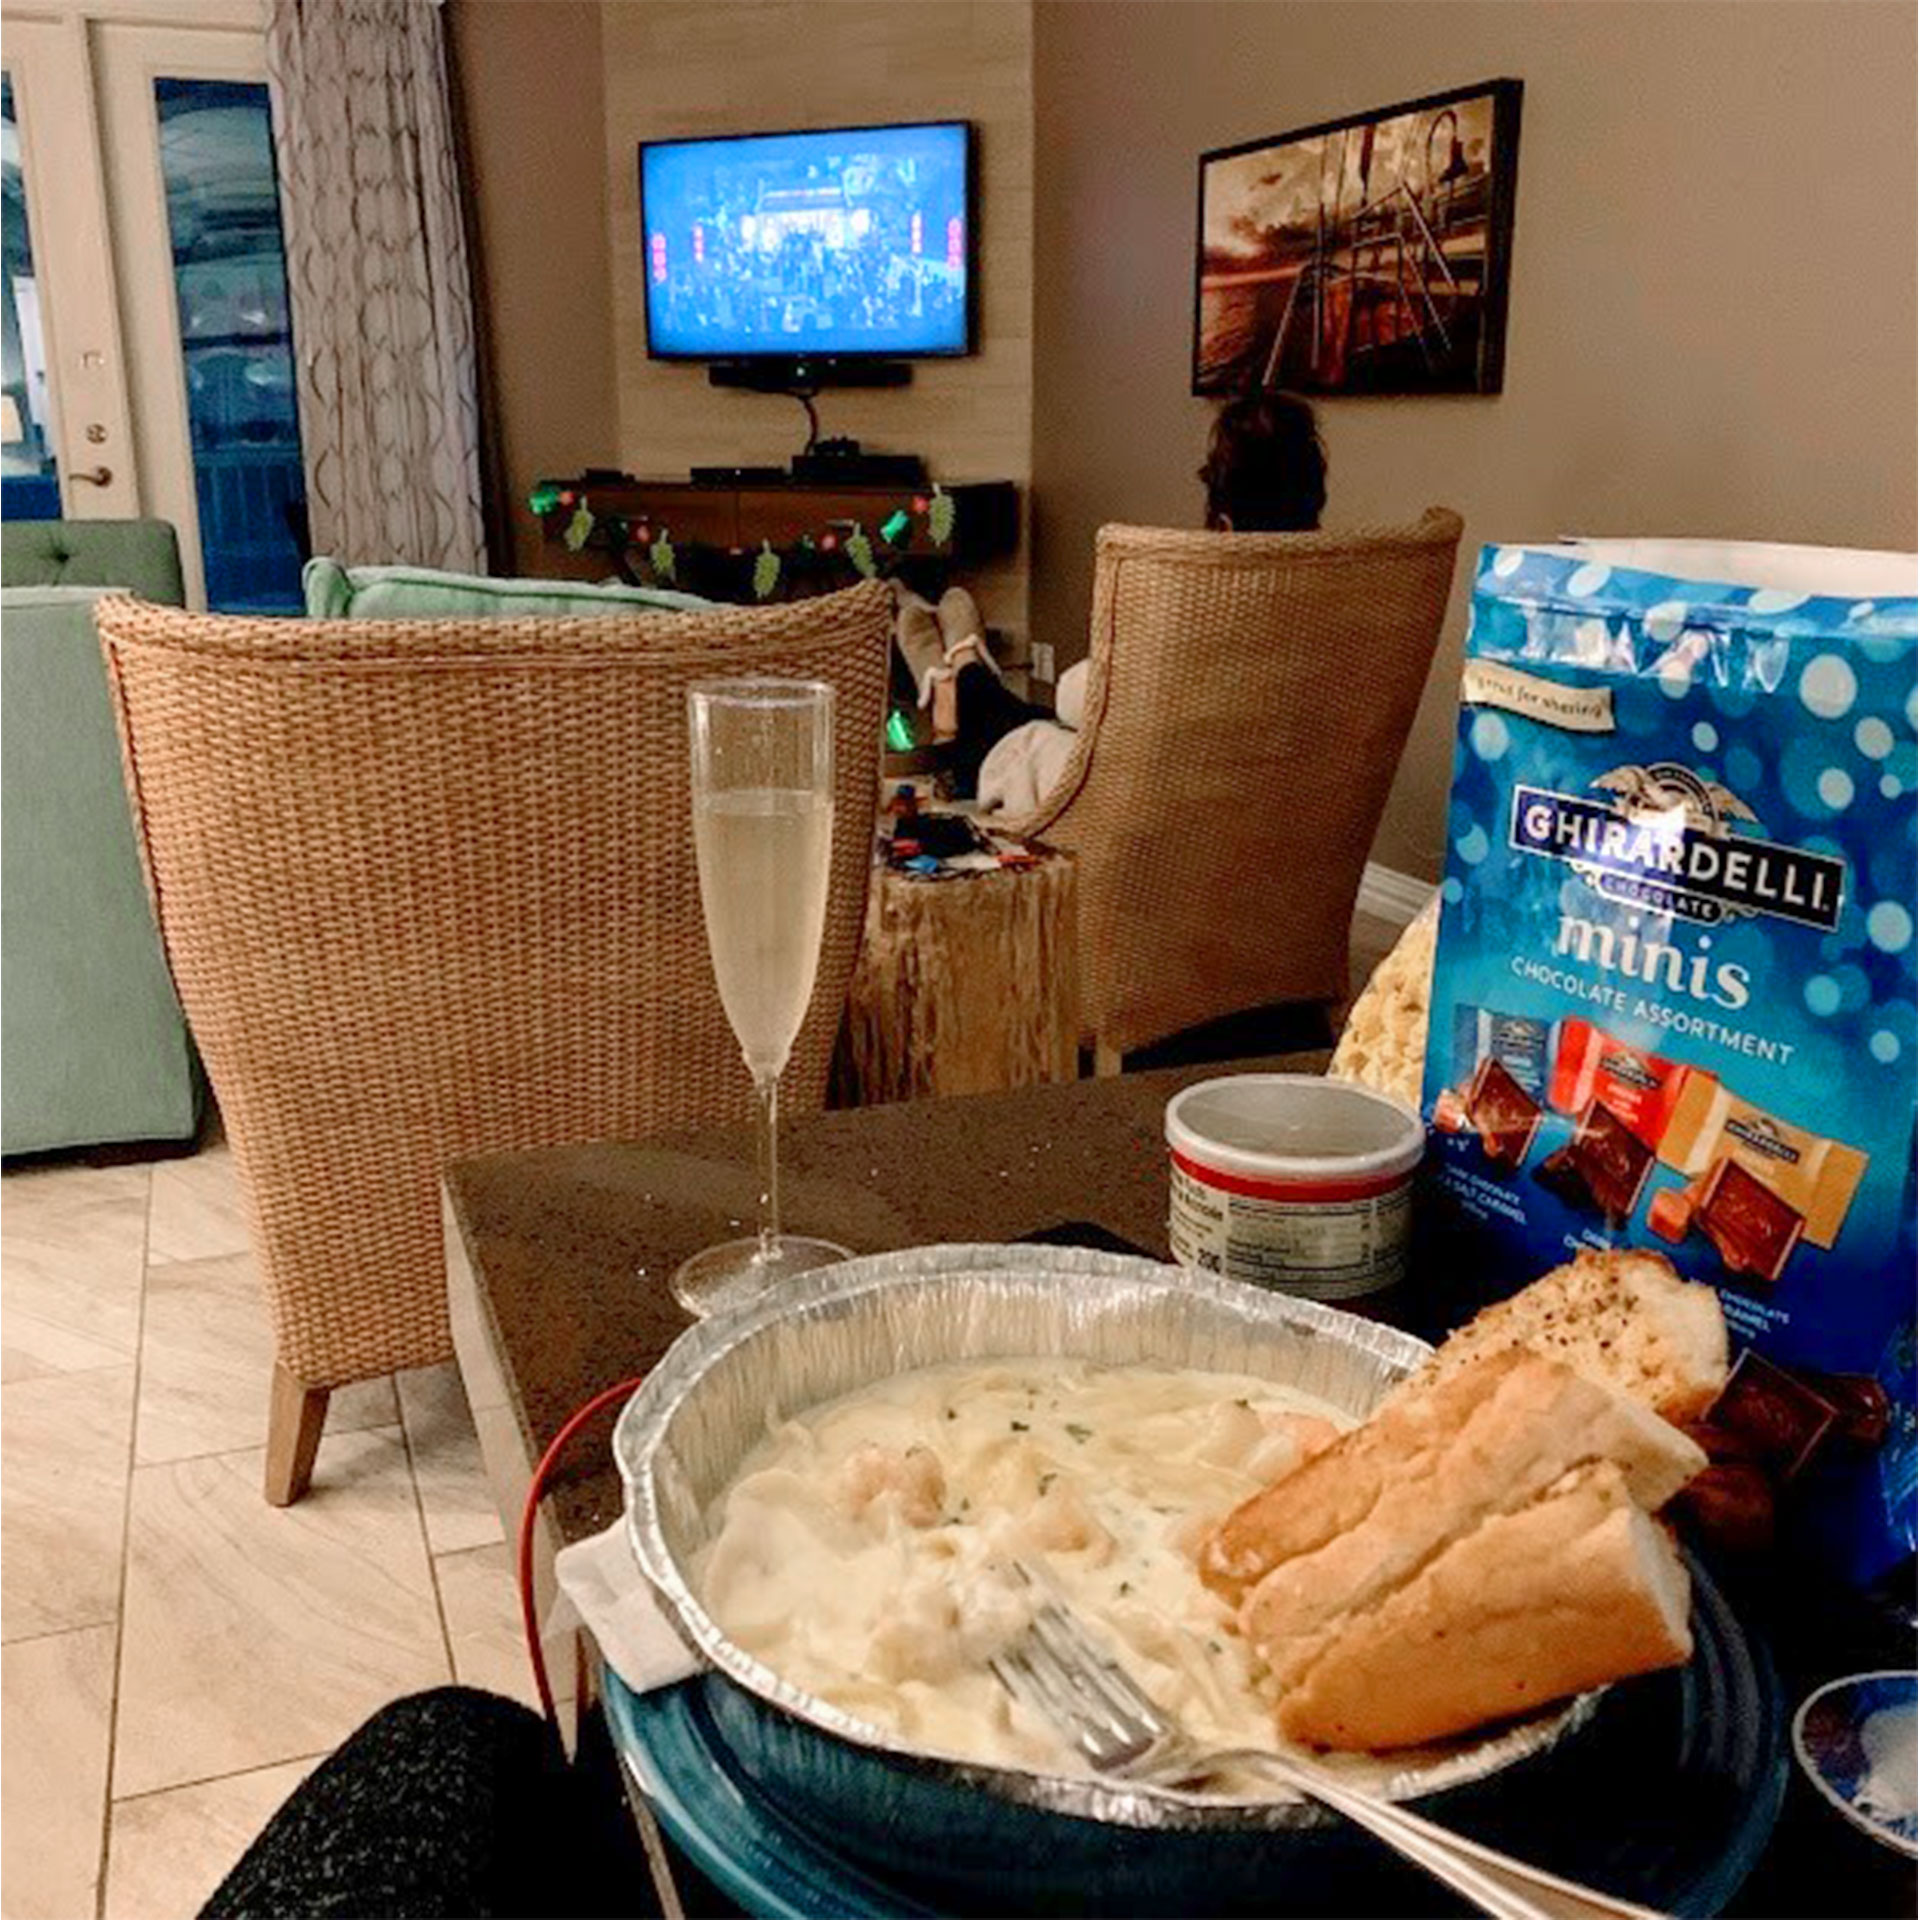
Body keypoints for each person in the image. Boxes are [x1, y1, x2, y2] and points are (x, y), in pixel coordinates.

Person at [894, 390, 1327, 807]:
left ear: (1225, 523)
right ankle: (958, 675)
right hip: (1260, 798)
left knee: (1008, 722)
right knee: (1026, 715)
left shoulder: (1203, 606)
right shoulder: (1347, 601)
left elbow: (1077, 697)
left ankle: (956, 674)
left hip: (1151, 805)